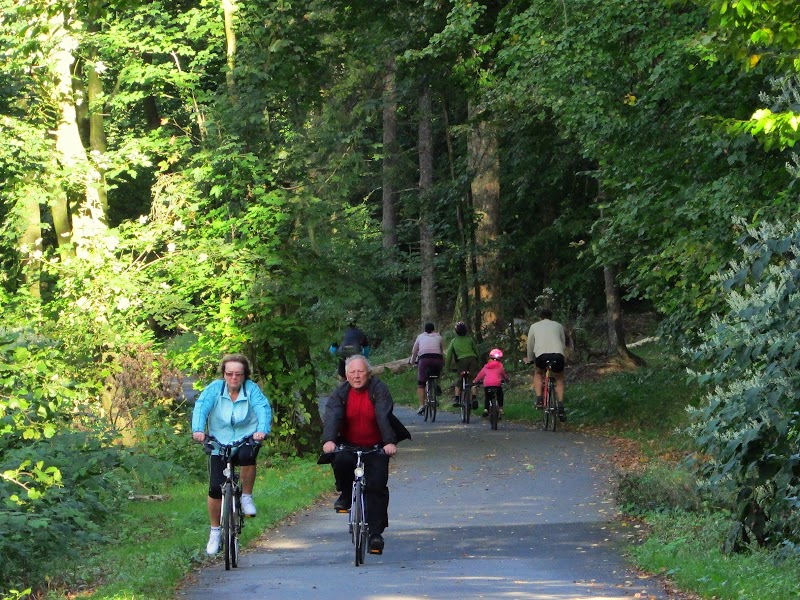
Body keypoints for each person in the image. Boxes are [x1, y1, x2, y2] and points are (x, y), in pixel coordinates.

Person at [321, 355, 408, 556]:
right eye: (352, 372)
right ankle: (345, 494)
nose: (357, 376)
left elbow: (383, 414)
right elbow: (332, 415)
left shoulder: (379, 389)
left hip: (376, 446)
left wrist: (388, 442)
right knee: (340, 460)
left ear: (368, 373)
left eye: (361, 371)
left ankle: (375, 534)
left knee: (376, 486)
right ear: (346, 375)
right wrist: (329, 440)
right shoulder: (340, 393)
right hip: (349, 444)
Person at [191, 353, 272, 555]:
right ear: (224, 374)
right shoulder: (214, 389)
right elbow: (201, 407)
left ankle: (246, 497)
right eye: (229, 374)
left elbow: (263, 409)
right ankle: (215, 532)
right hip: (219, 441)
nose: (234, 378)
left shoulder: (252, 390)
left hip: (246, 437)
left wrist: (262, 430)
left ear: (245, 375)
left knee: (247, 456)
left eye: (238, 374)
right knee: (215, 488)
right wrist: (198, 429)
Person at [524, 308, 567, 421]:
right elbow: (563, 342)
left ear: (540, 317)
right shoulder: (558, 325)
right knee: (559, 377)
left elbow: (530, 344)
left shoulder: (534, 326)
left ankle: (539, 398)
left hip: (542, 355)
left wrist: (530, 358)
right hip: (558, 355)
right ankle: (561, 404)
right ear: (551, 316)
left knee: (538, 372)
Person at [444, 321, 480, 409]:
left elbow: (449, 356)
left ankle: (456, 399)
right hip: (472, 359)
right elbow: (476, 351)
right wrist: (478, 362)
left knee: (459, 379)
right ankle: (474, 398)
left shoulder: (454, 341)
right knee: (473, 379)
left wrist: (447, 367)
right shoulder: (470, 339)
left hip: (461, 361)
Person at [410, 322, 445, 415]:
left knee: (421, 383)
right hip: (437, 359)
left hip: (424, 359)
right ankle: (437, 383)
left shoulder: (420, 337)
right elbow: (441, 351)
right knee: (437, 373)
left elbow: (414, 351)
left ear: (424, 330)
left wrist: (412, 362)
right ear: (434, 329)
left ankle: (421, 405)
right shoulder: (439, 337)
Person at [473, 348, 509, 417]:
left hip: (487, 384)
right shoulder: (500, 366)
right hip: (497, 384)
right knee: (500, 395)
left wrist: (475, 381)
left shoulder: (486, 366)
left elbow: (480, 375)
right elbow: (504, 375)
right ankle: (501, 408)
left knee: (487, 396)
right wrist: (507, 380)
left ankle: (486, 409)